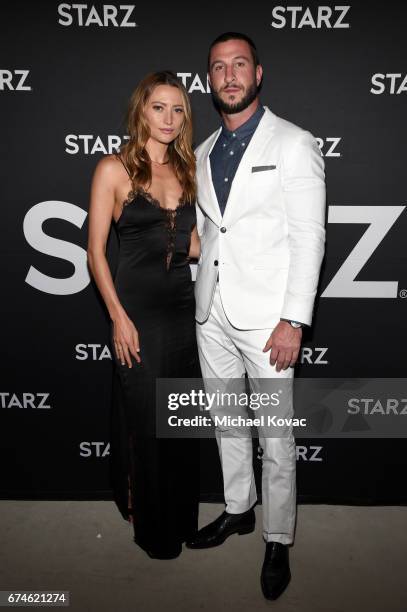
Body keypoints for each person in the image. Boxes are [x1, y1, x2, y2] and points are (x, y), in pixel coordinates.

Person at [185, 33, 326, 600]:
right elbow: (211, 234)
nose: (230, 74)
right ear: (210, 80)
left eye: (239, 64)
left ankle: (276, 536)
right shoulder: (201, 152)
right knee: (227, 422)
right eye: (218, 67)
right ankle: (239, 508)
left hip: (269, 319)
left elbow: (309, 236)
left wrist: (294, 320)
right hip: (210, 311)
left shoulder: (294, 143)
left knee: (276, 433)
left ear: (258, 73)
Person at [87, 71, 201, 560]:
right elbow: (94, 252)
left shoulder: (189, 168)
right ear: (141, 110)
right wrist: (118, 315)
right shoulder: (112, 169)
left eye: (178, 110)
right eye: (159, 107)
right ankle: (152, 528)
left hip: (182, 311)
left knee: (178, 421)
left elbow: (193, 246)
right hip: (137, 313)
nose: (169, 119)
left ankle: (179, 519)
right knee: (147, 424)